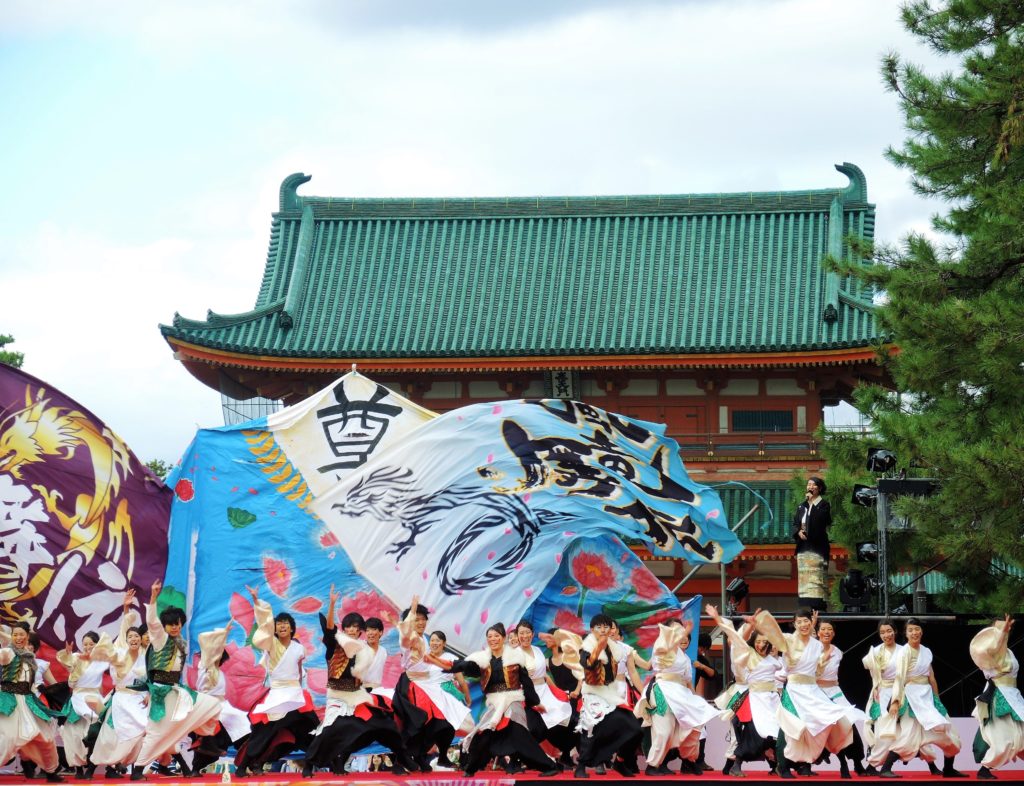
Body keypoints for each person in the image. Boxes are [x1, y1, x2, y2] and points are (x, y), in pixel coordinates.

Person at [302, 586, 415, 777]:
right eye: (349, 626)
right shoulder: (335, 645)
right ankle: (309, 764)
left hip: (358, 695)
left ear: (360, 631)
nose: (353, 630)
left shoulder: (362, 649)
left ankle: (402, 758)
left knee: (382, 723)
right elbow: (329, 629)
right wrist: (331, 604)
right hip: (338, 696)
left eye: (356, 627)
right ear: (344, 628)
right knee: (330, 730)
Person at [129, 579, 221, 781]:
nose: (174, 627)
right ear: (165, 625)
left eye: (177, 623)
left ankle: (205, 740)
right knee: (156, 733)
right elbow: (152, 623)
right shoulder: (160, 638)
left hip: (177, 690)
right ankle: (137, 771)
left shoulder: (182, 643)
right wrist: (153, 598)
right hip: (162, 693)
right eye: (170, 624)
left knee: (213, 705)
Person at [752, 608, 852, 778]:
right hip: (794, 690)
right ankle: (782, 766)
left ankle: (837, 761)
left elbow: (817, 671)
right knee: (788, 726)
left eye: (806, 621)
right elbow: (773, 632)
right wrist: (757, 623)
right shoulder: (789, 639)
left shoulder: (817, 645)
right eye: (799, 622)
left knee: (834, 719)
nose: (803, 624)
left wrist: (823, 662)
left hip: (813, 690)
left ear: (810, 622)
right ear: (795, 624)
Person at [450, 623, 559, 777]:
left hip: (513, 701)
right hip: (496, 703)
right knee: (486, 733)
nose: (493, 639)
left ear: (503, 638)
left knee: (520, 733)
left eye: (496, 636)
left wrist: (534, 702)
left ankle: (548, 766)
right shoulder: (484, 659)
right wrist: (451, 665)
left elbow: (526, 681)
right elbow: (468, 667)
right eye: (490, 636)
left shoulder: (514, 657)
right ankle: (471, 768)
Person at [234, 584, 318, 778]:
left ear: (291, 627)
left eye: (285, 623)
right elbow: (264, 623)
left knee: (310, 724)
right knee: (266, 731)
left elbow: (300, 672)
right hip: (278, 694)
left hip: (295, 694)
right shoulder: (270, 643)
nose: (282, 625)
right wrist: (257, 602)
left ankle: (308, 764)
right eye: (279, 623)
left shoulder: (299, 648)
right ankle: (243, 766)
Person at [390, 596, 470, 772]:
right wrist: (410, 615)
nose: (420, 623)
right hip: (411, 684)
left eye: (423, 619)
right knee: (417, 723)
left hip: (426, 684)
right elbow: (405, 637)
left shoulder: (424, 639)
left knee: (444, 722)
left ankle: (423, 755)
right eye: (416, 619)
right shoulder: (408, 637)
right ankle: (399, 761)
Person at [634, 619, 718, 776]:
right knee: (664, 730)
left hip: (681, 694)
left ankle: (689, 760)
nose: (682, 635)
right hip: (663, 691)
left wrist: (695, 700)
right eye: (677, 631)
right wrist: (686, 630)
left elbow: (688, 682)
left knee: (693, 727)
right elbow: (669, 645)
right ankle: (653, 765)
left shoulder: (685, 658)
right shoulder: (661, 644)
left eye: (682, 631)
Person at [882, 618, 963, 779]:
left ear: (921, 631)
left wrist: (937, 698)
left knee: (949, 733)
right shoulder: (904, 652)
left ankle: (948, 769)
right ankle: (886, 768)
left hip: (927, 697)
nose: (914, 632)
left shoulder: (926, 651)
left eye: (916, 629)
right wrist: (896, 702)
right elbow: (900, 678)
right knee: (909, 737)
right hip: (912, 697)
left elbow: (931, 677)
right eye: (910, 630)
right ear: (906, 633)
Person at [707, 604, 781, 777]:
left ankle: (774, 763)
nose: (762, 644)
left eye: (764, 641)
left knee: (772, 731)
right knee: (747, 733)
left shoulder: (770, 658)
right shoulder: (745, 654)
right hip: (748, 696)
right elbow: (736, 637)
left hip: (767, 698)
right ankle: (734, 765)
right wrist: (719, 619)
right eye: (758, 640)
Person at [572, 614, 643, 778]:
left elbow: (628, 671)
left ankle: (620, 760)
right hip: (593, 694)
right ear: (592, 629)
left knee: (635, 729)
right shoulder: (587, 647)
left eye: (606, 627)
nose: (603, 630)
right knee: (591, 729)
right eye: (599, 627)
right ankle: (581, 766)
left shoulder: (615, 648)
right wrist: (598, 649)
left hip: (611, 694)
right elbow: (586, 664)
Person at [91, 591, 151, 778]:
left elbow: (150, 678)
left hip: (139, 700)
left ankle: (134, 769)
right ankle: (107, 767)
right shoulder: (119, 651)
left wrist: (148, 693)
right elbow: (125, 625)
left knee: (141, 732)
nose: (133, 638)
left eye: (136, 636)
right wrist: (126, 607)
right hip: (121, 699)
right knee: (114, 734)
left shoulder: (145, 655)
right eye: (130, 636)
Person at [0, 622, 65, 782]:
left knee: (46, 738)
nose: (18, 637)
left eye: (22, 634)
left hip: (28, 701)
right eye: (15, 634)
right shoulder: (8, 652)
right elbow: (3, 655)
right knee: (7, 738)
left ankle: (50, 772)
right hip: (10, 701)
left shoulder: (32, 659)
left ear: (28, 637)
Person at [190, 619, 252, 776]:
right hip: (207, 705)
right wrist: (224, 633)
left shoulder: (220, 672)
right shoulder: (204, 665)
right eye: (214, 652)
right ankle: (196, 767)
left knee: (244, 727)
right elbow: (207, 642)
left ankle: (245, 764)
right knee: (208, 737)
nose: (216, 655)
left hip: (222, 707)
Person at [970, 615, 1024, 780]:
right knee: (1003, 738)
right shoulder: (987, 652)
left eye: (1007, 628)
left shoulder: (1009, 651)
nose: (1004, 631)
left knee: (1021, 734)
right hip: (998, 697)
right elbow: (994, 646)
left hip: (1013, 695)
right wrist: (1001, 633)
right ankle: (985, 769)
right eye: (999, 628)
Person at [55, 629, 114, 779]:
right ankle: (79, 769)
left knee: (100, 733)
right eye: (85, 644)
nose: (87, 647)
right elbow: (66, 663)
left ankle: (108, 766)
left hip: (94, 699)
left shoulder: (101, 661)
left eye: (91, 644)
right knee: (73, 735)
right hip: (76, 699)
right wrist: (67, 654)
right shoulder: (76, 657)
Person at [515, 621, 574, 767]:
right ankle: (519, 759)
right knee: (535, 729)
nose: (525, 636)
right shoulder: (515, 654)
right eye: (521, 633)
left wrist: (559, 693)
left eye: (527, 632)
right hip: (527, 695)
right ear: (517, 635)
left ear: (532, 634)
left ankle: (565, 754)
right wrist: (532, 701)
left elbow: (545, 676)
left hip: (545, 691)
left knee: (567, 721)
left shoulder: (537, 650)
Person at [816, 620, 867, 778]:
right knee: (826, 728)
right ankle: (841, 763)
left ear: (833, 633)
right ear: (817, 632)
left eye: (829, 629)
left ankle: (857, 762)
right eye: (823, 629)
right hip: (816, 693)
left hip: (835, 691)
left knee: (849, 725)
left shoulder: (838, 652)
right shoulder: (811, 650)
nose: (826, 632)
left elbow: (835, 676)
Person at [862, 619, 904, 775]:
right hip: (883, 693)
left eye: (889, 631)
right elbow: (870, 668)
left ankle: (932, 765)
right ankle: (873, 765)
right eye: (883, 632)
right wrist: (876, 687)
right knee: (884, 731)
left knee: (906, 730)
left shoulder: (903, 650)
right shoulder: (875, 652)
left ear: (895, 631)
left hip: (901, 692)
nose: (887, 635)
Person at [792, 476, 831, 611]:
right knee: (806, 581)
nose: (810, 487)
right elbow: (795, 523)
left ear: (819, 488)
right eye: (808, 484)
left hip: (817, 546)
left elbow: (821, 520)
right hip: (804, 546)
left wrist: (811, 505)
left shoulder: (824, 505)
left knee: (817, 580)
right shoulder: (802, 506)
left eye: (813, 485)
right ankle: (809, 608)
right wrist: (798, 532)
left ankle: (820, 608)